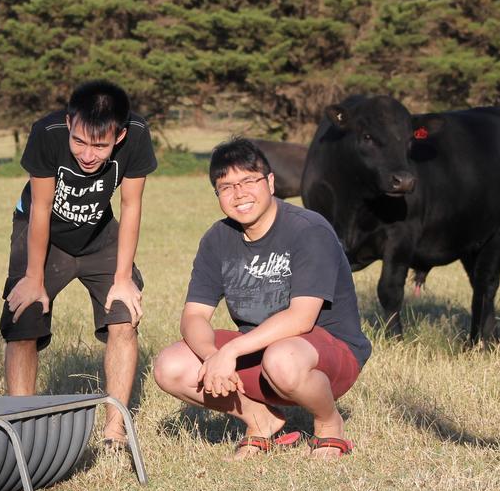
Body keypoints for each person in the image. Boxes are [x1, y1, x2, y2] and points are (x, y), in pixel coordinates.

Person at [152, 137, 370, 459]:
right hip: (262, 353)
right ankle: (261, 420)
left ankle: (328, 424)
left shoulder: (309, 230)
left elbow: (301, 318)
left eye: (248, 181)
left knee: (281, 359)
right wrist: (214, 357)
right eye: (226, 187)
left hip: (326, 354)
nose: (239, 194)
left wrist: (233, 352)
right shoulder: (217, 239)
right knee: (169, 366)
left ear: (270, 182)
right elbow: (194, 316)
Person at [1, 80, 157, 447]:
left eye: (100, 146)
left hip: (99, 232)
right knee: (24, 316)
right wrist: (34, 278)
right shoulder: (47, 132)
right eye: (80, 142)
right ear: (69, 123)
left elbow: (131, 206)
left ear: (118, 137)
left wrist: (122, 277)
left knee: (124, 316)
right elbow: (40, 209)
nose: (88, 155)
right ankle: (21, 429)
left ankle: (115, 432)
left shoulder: (137, 135)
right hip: (43, 232)